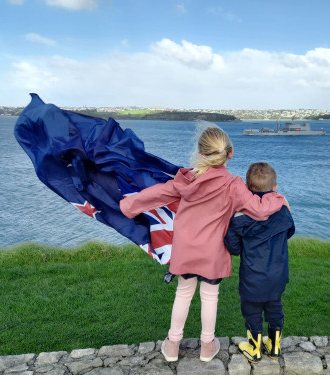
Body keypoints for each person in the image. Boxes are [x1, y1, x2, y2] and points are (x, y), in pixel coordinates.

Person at [120, 127, 288, 363]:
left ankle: (172, 345)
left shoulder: (186, 179)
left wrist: (129, 206)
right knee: (210, 297)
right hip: (213, 252)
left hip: (186, 249)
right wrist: (278, 198)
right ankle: (207, 346)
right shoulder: (233, 185)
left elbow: (157, 193)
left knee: (183, 294)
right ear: (230, 154)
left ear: (201, 154)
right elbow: (259, 210)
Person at [224, 162, 295, 363]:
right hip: (278, 273)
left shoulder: (241, 215)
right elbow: (289, 231)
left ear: (247, 188)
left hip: (253, 275)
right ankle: (274, 346)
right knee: (275, 306)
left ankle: (254, 348)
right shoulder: (283, 210)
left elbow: (233, 246)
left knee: (252, 309)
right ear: (275, 188)